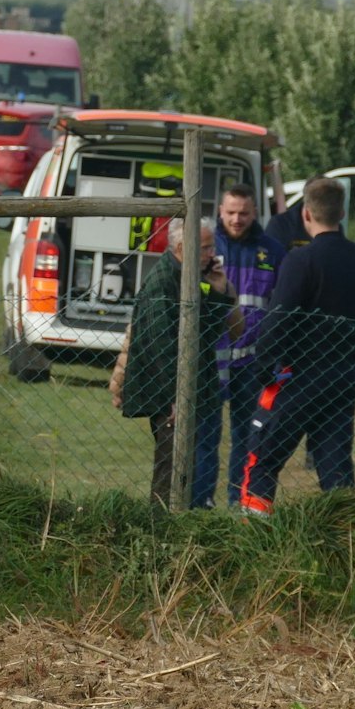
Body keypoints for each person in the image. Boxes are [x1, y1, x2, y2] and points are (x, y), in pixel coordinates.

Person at [235, 177, 355, 516]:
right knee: (335, 467)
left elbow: (278, 320)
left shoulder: (301, 260)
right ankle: (349, 539)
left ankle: (253, 535)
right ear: (342, 213)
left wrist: (264, 369)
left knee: (261, 459)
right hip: (341, 378)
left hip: (297, 375)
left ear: (306, 213)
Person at [108, 218, 240, 509]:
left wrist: (218, 288)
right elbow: (162, 347)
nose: (212, 255)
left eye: (211, 247)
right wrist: (175, 398)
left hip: (193, 388)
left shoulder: (192, 277)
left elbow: (210, 328)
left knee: (188, 464)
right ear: (183, 247)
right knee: (170, 469)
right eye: (205, 248)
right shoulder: (165, 282)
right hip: (171, 397)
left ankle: (181, 519)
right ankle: (160, 529)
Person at [191, 184, 282, 509]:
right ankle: (200, 503)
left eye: (243, 212)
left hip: (252, 362)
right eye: (230, 212)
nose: (237, 219)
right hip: (210, 361)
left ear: (254, 212)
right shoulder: (203, 246)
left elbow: (280, 307)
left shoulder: (272, 251)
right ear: (220, 211)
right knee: (204, 437)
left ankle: (238, 502)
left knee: (247, 436)